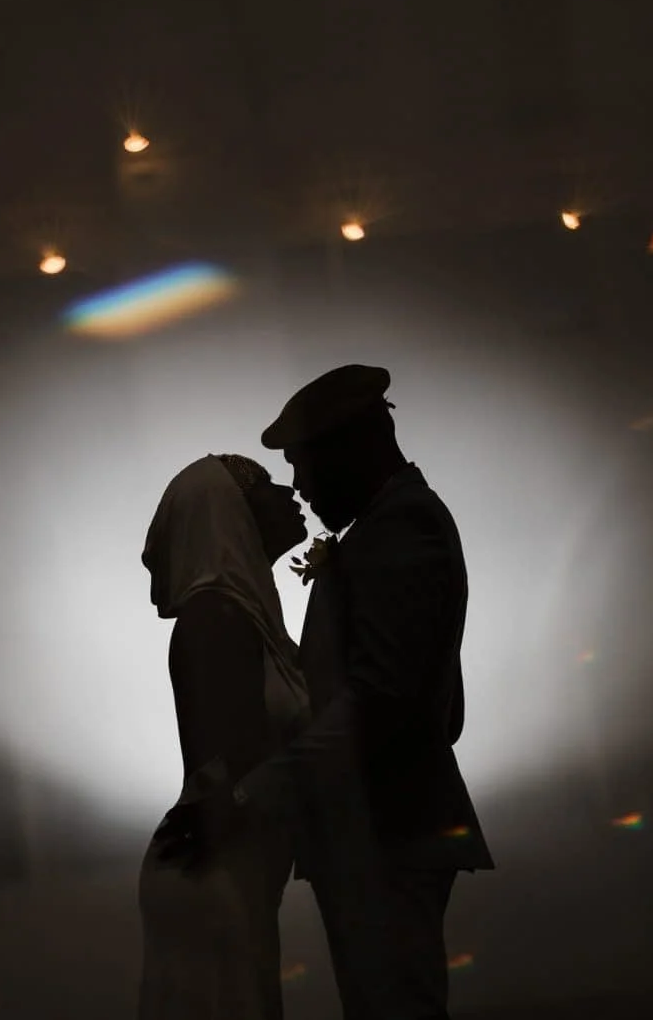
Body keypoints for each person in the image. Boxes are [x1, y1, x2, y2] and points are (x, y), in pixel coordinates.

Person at [157, 365, 494, 1020]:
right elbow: (436, 707)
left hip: (385, 831)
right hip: (381, 829)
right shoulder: (388, 528)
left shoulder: (400, 530)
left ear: (351, 447)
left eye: (303, 463)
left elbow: (378, 704)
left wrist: (249, 795)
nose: (299, 487)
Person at [136, 453, 312, 1020]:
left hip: (231, 867)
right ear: (228, 513)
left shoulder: (241, 616)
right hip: (213, 871)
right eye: (260, 482)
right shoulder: (216, 617)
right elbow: (230, 769)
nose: (285, 490)